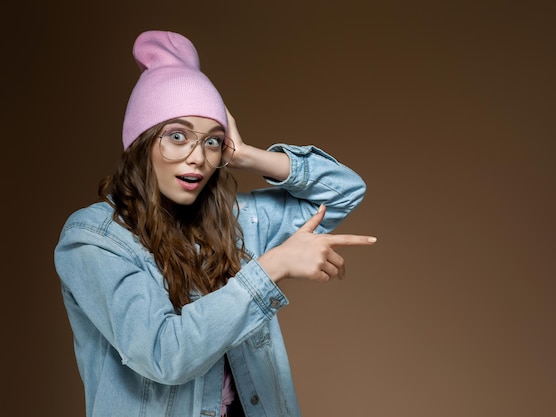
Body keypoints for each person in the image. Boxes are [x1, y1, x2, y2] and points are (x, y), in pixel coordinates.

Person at [54, 30, 376, 417]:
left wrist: (249, 156)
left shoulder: (236, 223)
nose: (197, 157)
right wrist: (272, 267)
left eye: (212, 141)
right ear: (140, 142)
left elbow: (345, 191)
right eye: (177, 136)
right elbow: (163, 355)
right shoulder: (94, 239)